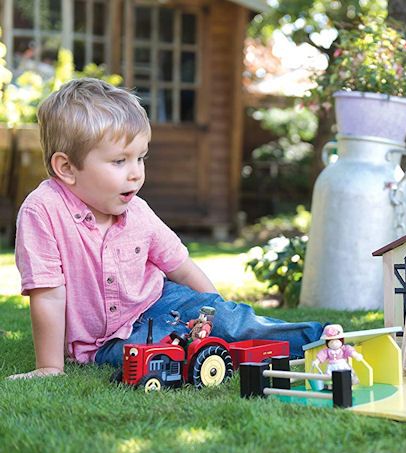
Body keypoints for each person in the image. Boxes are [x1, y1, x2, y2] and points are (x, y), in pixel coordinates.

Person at [8, 78, 323, 379]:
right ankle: (231, 352)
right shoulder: (42, 212)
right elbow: (47, 294)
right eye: (119, 161)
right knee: (165, 353)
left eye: (140, 158)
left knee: (231, 321)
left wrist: (213, 311)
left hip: (160, 300)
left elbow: (181, 267)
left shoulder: (137, 211)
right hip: (103, 343)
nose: (135, 174)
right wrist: (49, 366)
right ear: (67, 168)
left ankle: (323, 341)